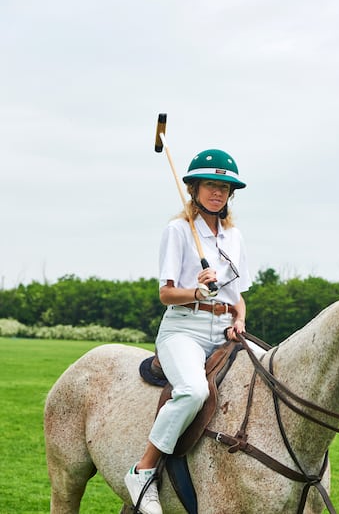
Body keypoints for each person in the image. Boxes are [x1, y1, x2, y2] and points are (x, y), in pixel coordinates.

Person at [124, 149, 265, 514]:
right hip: (183, 329)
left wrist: (239, 321)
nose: (217, 192)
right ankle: (143, 470)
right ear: (194, 188)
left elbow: (239, 297)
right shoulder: (178, 230)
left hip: (224, 330)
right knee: (191, 390)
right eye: (210, 185)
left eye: (224, 187)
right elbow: (166, 293)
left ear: (230, 194)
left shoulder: (234, 236)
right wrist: (197, 292)